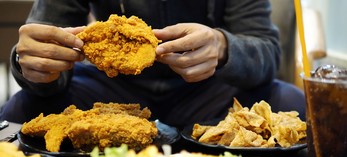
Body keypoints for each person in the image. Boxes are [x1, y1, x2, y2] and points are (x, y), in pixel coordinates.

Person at [0, 0, 306, 127]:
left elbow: (266, 50)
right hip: (110, 90)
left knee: (291, 101)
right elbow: (43, 40)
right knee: (19, 110)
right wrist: (34, 66)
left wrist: (224, 47)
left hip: (207, 88)